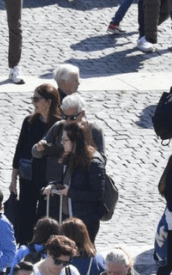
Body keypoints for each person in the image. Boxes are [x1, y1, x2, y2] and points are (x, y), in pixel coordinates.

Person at [10, 83, 62, 244]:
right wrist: (13, 179)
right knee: (25, 213)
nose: (33, 102)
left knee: (44, 215)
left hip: (48, 177)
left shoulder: (59, 125)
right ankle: (25, 245)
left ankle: (42, 244)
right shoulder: (29, 122)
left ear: (48, 101)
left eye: (36, 98)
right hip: (28, 175)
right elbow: (19, 150)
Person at [42, 123, 108, 242]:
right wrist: (53, 185)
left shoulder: (94, 162)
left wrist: (71, 192)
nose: (62, 143)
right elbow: (63, 179)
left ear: (75, 141)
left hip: (85, 221)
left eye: (65, 140)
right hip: (68, 218)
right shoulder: (69, 156)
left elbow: (97, 194)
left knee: (82, 255)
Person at [32, 94, 107, 188]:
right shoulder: (59, 126)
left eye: (72, 118)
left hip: (83, 185)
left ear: (82, 114)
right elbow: (35, 152)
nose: (68, 121)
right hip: (57, 183)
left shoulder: (94, 130)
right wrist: (39, 147)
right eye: (65, 117)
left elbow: (101, 161)